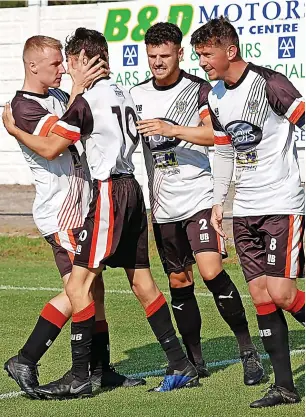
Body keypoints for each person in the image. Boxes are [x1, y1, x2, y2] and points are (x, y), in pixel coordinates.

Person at [2, 27, 198, 400]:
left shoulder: (78, 98)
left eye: (67, 61)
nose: (63, 69)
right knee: (95, 285)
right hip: (71, 207)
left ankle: (84, 371)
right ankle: (66, 364)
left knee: (88, 287)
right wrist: (17, 128)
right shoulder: (38, 104)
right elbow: (51, 147)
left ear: (83, 61)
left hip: (104, 195)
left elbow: (58, 140)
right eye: (56, 63)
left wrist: (20, 129)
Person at [132, 22, 263, 385]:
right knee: (179, 280)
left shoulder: (201, 91)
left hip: (200, 197)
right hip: (163, 206)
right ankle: (194, 362)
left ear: (179, 54)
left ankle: (248, 352)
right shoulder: (136, 94)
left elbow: (217, 136)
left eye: (165, 55)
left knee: (210, 271)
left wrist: (172, 129)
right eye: (152, 56)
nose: (158, 62)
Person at [190, 16, 305, 408]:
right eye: (199, 55)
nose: (202, 62)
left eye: (206, 54)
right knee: (260, 294)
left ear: (230, 50)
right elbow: (223, 150)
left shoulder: (271, 83)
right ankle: (286, 387)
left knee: (283, 292)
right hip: (244, 209)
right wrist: (220, 203)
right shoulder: (213, 96)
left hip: (281, 204)